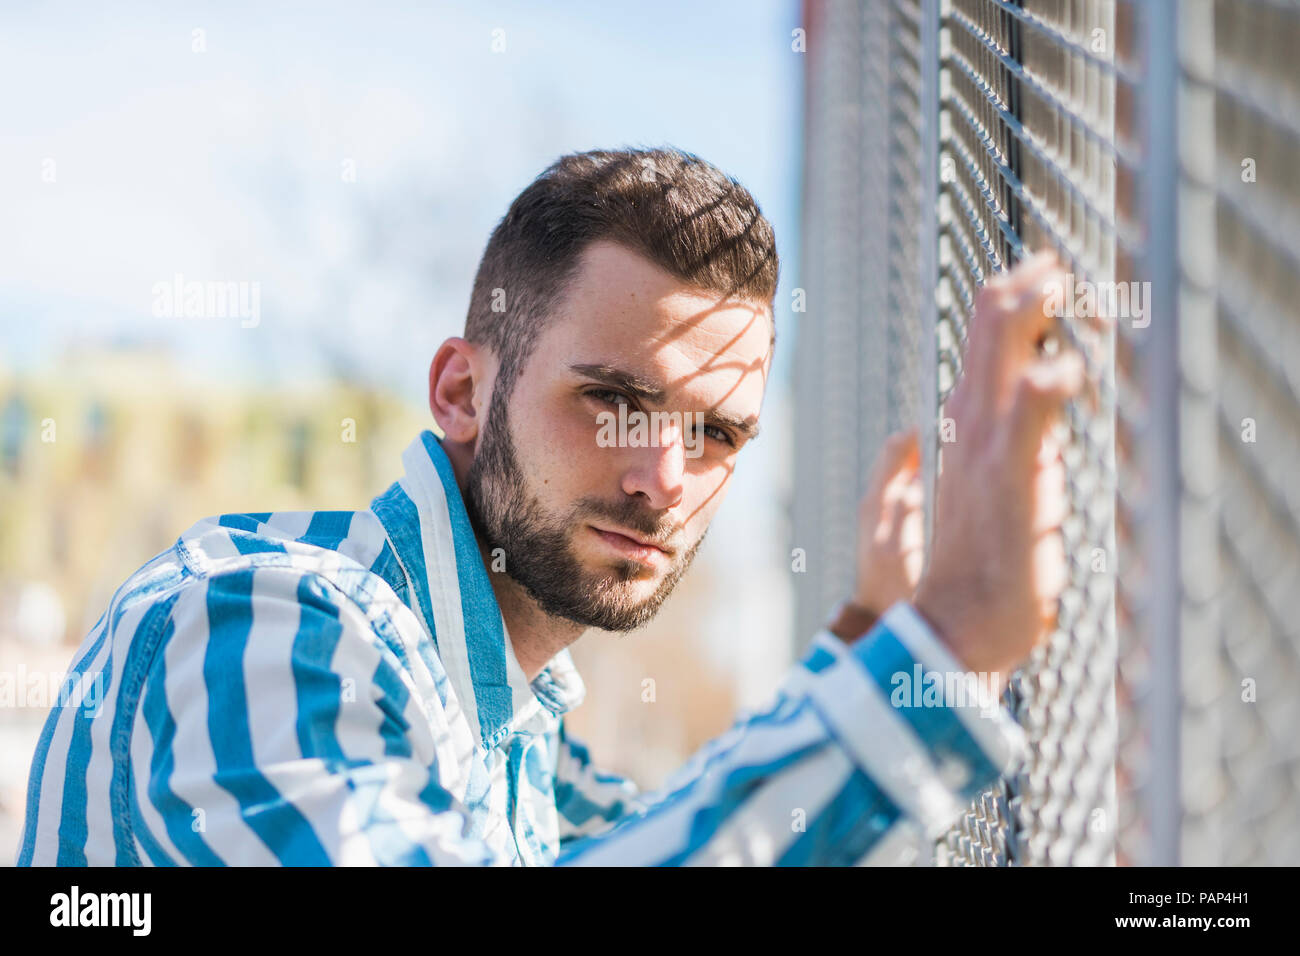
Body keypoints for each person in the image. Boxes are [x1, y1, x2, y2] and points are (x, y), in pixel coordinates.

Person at [17, 147, 1081, 866]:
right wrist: (937, 655)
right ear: (462, 391)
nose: (663, 476)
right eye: (613, 400)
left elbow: (672, 835)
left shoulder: (512, 727)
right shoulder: (263, 621)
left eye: (714, 432)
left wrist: (865, 647)